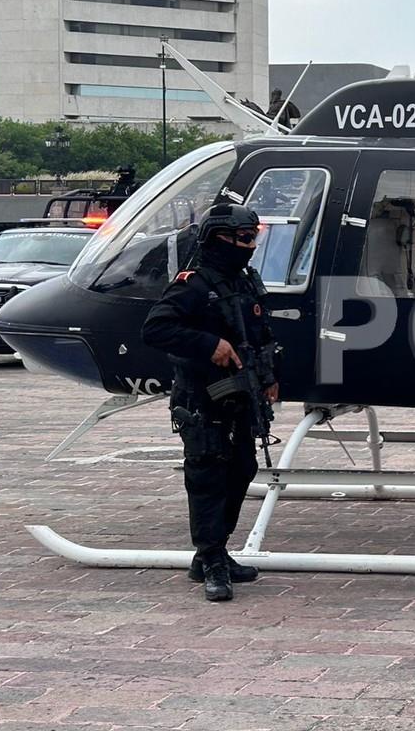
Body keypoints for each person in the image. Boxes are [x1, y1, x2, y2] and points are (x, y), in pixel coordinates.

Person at [141, 203, 279, 602]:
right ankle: (211, 558)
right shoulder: (193, 284)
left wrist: (270, 376)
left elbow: (261, 335)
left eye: (255, 238)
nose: (251, 246)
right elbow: (157, 328)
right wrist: (208, 344)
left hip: (241, 395)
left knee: (242, 468)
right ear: (221, 239)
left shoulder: (245, 281)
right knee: (208, 476)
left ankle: (215, 550)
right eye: (245, 238)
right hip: (204, 397)